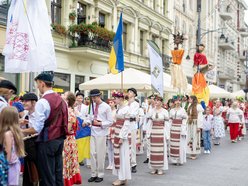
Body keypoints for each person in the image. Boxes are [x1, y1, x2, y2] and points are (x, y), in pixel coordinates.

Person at [22, 72, 68, 186]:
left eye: (38, 84)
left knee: (47, 176)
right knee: (57, 174)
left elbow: (37, 128)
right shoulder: (62, 100)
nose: (37, 86)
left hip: (47, 141)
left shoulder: (42, 101)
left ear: (42, 83)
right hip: (59, 140)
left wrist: (20, 131)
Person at [86, 89, 113, 183]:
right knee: (92, 153)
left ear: (99, 96)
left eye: (95, 97)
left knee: (100, 155)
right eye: (92, 97)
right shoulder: (91, 106)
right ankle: (93, 174)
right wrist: (87, 122)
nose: (93, 99)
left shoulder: (106, 107)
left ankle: (100, 174)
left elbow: (110, 121)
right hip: (93, 132)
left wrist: (100, 123)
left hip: (101, 133)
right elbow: (89, 117)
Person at [0, 107, 25, 186]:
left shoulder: (7, 134)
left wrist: (4, 166)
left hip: (9, 166)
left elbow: (8, 152)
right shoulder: (15, 132)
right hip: (15, 164)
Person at [112, 91, 131, 186]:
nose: (114, 100)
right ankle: (122, 177)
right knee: (119, 155)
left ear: (121, 99)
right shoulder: (119, 108)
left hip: (122, 135)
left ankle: (122, 178)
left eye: (115, 98)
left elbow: (127, 124)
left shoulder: (127, 109)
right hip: (117, 132)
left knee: (123, 155)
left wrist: (122, 137)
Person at [62, 91, 82, 186]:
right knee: (67, 161)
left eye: (64, 95)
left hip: (68, 139)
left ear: (67, 100)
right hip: (69, 139)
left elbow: (67, 129)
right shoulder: (68, 110)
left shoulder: (69, 111)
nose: (62, 95)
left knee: (66, 161)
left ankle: (67, 180)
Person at [21, 92, 40, 186]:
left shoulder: (39, 115)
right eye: (23, 101)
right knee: (28, 172)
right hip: (28, 147)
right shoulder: (26, 115)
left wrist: (23, 131)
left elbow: (37, 130)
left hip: (38, 146)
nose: (23, 103)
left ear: (34, 102)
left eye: (26, 101)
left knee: (37, 172)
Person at [149, 95, 169, 175]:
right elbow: (149, 122)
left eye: (158, 100)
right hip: (154, 131)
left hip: (161, 132)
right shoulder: (152, 111)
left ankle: (160, 168)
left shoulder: (164, 111)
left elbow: (167, 123)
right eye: (155, 100)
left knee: (160, 150)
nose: (156, 102)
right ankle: (154, 167)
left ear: (161, 102)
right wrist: (148, 132)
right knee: (153, 150)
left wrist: (167, 134)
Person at [169, 96, 187, 165]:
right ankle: (174, 160)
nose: (178, 102)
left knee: (180, 144)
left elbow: (185, 119)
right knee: (173, 143)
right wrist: (169, 128)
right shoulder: (171, 110)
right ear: (174, 102)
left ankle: (179, 159)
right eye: (176, 101)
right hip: (173, 128)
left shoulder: (182, 110)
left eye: (179, 101)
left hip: (180, 128)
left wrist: (183, 127)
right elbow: (170, 119)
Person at [74, 92, 90, 167]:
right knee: (76, 142)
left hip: (83, 124)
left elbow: (87, 116)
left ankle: (82, 159)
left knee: (83, 141)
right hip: (75, 124)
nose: (80, 99)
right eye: (79, 97)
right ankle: (77, 158)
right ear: (76, 98)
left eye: (81, 97)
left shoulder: (86, 107)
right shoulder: (74, 106)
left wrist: (85, 121)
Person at [187, 95, 204, 160]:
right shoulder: (189, 105)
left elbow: (200, 117)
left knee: (195, 138)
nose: (189, 100)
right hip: (190, 123)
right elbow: (188, 114)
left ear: (193, 99)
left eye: (190, 99)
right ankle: (191, 152)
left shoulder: (198, 106)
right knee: (190, 137)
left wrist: (199, 126)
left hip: (195, 124)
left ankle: (194, 153)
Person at [126, 88, 139, 173]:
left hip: (132, 125)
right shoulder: (125, 103)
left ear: (134, 94)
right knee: (126, 144)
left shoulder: (136, 104)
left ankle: (133, 163)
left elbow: (133, 114)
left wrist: (126, 114)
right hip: (125, 125)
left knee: (133, 144)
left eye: (131, 92)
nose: (129, 93)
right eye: (128, 92)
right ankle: (126, 162)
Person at [143, 94, 155, 164]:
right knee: (148, 142)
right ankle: (148, 157)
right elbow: (146, 116)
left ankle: (153, 156)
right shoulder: (148, 107)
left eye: (154, 99)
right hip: (148, 124)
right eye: (151, 99)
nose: (152, 100)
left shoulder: (157, 108)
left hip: (154, 125)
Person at [106, 98, 116, 170]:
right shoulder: (108, 111)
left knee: (113, 147)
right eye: (109, 103)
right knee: (109, 147)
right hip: (108, 129)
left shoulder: (116, 111)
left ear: (114, 103)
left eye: (111, 102)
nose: (110, 104)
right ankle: (110, 163)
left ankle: (113, 163)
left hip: (114, 129)